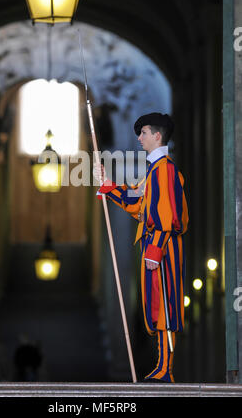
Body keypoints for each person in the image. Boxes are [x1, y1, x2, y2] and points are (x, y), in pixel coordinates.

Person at [94, 112, 189, 383]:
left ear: (157, 136)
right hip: (154, 245)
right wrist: (107, 185)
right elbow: (136, 200)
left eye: (144, 133)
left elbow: (167, 215)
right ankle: (162, 365)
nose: (139, 138)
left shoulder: (165, 170)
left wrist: (155, 251)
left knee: (166, 306)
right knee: (156, 306)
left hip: (163, 246)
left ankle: (166, 368)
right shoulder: (153, 171)